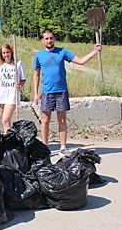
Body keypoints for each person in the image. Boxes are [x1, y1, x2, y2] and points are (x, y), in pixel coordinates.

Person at [33, 28, 102, 157]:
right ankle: (45, 147)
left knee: (62, 120)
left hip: (61, 91)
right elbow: (36, 75)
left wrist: (94, 51)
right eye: (46, 38)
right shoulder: (39, 55)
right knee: (45, 120)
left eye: (51, 38)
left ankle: (63, 147)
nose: (49, 40)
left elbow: (81, 61)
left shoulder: (62, 52)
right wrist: (36, 94)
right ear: (43, 40)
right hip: (47, 91)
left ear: (54, 39)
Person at [0, 44, 26, 132]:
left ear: (11, 52)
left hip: (12, 95)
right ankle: (10, 137)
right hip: (1, 95)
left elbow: (23, 79)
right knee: (6, 121)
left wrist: (20, 85)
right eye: (3, 53)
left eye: (7, 52)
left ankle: (8, 140)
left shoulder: (18, 64)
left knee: (5, 120)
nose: (6, 55)